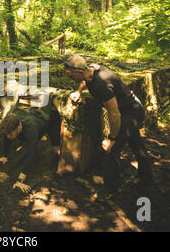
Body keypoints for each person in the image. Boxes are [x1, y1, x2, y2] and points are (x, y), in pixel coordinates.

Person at [64, 54, 153, 190]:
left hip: (130, 112)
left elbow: (114, 113)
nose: (69, 78)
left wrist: (111, 138)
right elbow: (85, 80)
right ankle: (146, 178)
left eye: (70, 75)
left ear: (80, 72)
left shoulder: (101, 84)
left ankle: (110, 185)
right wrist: (79, 92)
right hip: (129, 109)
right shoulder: (92, 69)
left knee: (112, 148)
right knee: (135, 143)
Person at [0, 109, 61, 193]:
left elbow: (30, 155)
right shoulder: (13, 120)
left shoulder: (31, 129)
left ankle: (63, 164)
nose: (8, 136)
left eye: (10, 134)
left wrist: (20, 181)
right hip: (37, 116)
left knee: (56, 149)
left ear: (19, 128)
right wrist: (5, 156)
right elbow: (6, 137)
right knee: (22, 140)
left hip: (52, 120)